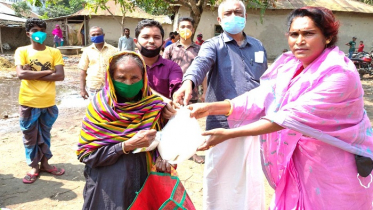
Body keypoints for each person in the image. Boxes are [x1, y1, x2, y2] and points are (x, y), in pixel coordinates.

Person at [188, 6, 373, 209]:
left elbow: (290, 116)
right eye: (294, 34)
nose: (299, 40)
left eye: (308, 33)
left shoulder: (339, 73)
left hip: (332, 168)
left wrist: (228, 133)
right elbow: (263, 95)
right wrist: (210, 108)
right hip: (298, 162)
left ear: (327, 37)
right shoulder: (291, 65)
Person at [173, 0, 268, 209]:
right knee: (221, 178)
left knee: (250, 178)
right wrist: (188, 83)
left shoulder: (258, 46)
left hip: (255, 123)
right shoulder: (213, 45)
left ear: (245, 17)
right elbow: (200, 64)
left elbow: (267, 81)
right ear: (219, 19)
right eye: (228, 13)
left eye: (237, 12)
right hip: (223, 124)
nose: (233, 16)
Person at [77, 51, 175, 209]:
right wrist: (125, 146)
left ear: (143, 78)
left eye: (135, 78)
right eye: (121, 78)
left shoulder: (156, 107)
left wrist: (166, 159)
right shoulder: (100, 108)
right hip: (108, 187)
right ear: (111, 78)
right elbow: (87, 155)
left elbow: (168, 146)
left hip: (146, 180)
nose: (128, 83)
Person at [15, 18, 65, 184]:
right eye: (36, 30)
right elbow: (21, 74)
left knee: (45, 135)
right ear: (28, 33)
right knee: (30, 136)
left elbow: (60, 76)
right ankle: (34, 166)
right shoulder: (22, 51)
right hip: (28, 101)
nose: (40, 33)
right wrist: (48, 71)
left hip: (48, 102)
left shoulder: (54, 52)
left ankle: (45, 164)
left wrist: (33, 73)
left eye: (42, 30)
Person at [163, 17, 206, 164]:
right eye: (182, 26)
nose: (185, 29)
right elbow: (164, 70)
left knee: (191, 125)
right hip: (173, 94)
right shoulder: (170, 49)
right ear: (178, 29)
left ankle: (193, 153)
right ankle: (171, 150)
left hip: (191, 94)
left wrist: (203, 91)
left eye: (188, 26)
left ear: (193, 30)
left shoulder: (199, 50)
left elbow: (204, 73)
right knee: (172, 122)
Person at [134, 19, 183, 100]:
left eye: (156, 37)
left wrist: (179, 96)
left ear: (163, 43)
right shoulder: (124, 65)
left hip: (163, 112)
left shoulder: (172, 67)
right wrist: (164, 101)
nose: (151, 41)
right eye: (146, 37)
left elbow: (177, 87)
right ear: (136, 41)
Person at [78, 26, 118, 100]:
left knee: (110, 108)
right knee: (95, 109)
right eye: (93, 35)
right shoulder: (87, 51)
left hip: (110, 86)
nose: (96, 36)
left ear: (103, 35)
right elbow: (83, 71)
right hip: (93, 86)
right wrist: (82, 90)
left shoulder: (114, 50)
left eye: (98, 34)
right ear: (90, 36)